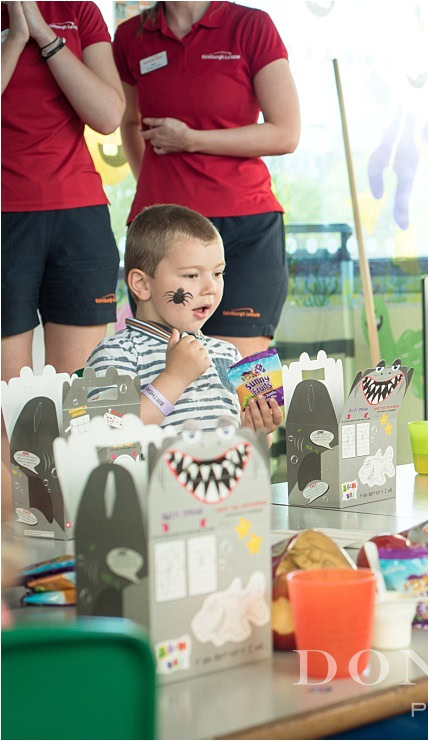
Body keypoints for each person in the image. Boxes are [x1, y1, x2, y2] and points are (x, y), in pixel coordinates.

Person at [112, 1, 300, 360]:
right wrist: (155, 195)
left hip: (244, 227)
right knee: (160, 365)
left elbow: (286, 133)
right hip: (162, 234)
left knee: (242, 379)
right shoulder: (130, 35)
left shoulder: (251, 25)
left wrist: (192, 140)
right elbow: (129, 122)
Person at [85, 204, 282, 440]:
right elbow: (108, 434)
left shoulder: (228, 355)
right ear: (142, 284)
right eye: (191, 275)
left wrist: (256, 430)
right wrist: (174, 378)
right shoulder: (116, 353)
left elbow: (246, 447)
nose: (211, 288)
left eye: (218, 273)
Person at [1, 0, 124, 378]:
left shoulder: (79, 10)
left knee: (78, 398)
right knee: (8, 404)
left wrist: (43, 35)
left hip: (79, 214)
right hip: (6, 214)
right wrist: (17, 37)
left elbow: (107, 116)